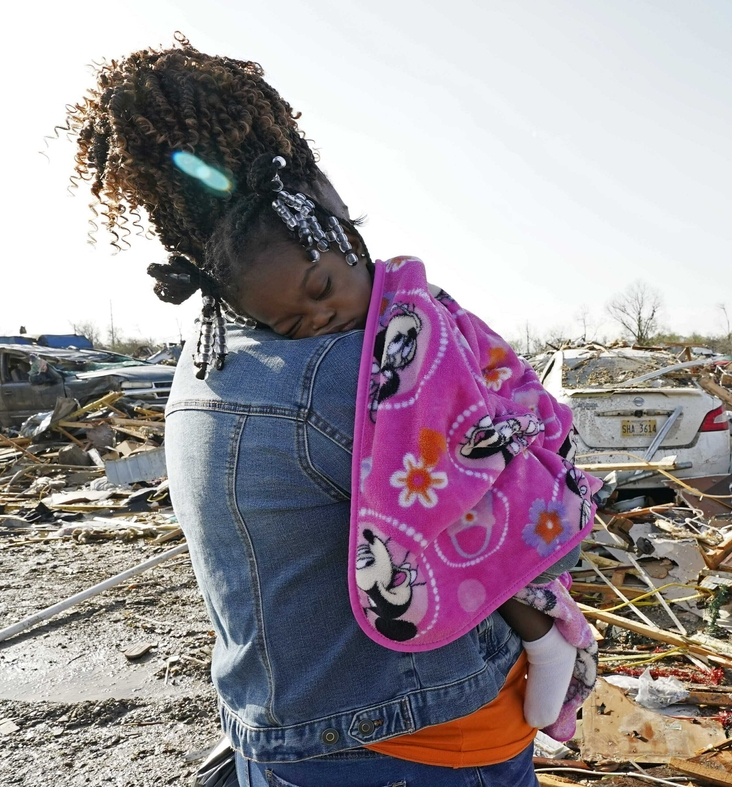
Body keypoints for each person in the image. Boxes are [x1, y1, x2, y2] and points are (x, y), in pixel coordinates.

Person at [67, 37, 549, 786]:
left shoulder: (208, 358)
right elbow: (514, 526)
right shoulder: (359, 371)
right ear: (304, 195)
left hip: (280, 734)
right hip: (420, 743)